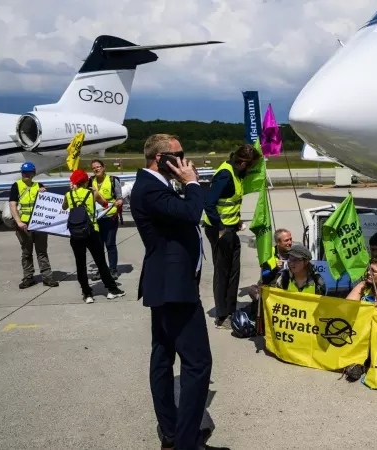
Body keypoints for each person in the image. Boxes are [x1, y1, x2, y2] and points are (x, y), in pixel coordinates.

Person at [130, 134, 213, 450]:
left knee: (163, 358)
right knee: (197, 363)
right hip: (173, 289)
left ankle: (171, 432)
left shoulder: (156, 186)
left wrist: (185, 186)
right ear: (160, 158)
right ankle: (186, 441)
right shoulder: (150, 188)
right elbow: (192, 213)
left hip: (166, 285)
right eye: (179, 155)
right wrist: (192, 183)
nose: (185, 160)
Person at [203, 144, 263, 329]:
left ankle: (230, 308)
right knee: (223, 272)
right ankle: (221, 317)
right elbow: (209, 204)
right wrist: (221, 229)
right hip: (219, 230)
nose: (252, 170)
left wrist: (236, 222)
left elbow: (229, 204)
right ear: (243, 162)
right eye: (251, 166)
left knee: (234, 270)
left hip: (230, 229)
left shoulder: (237, 174)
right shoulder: (225, 174)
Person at [61, 169, 126, 304]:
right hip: (92, 231)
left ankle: (87, 293)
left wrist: (72, 192)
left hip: (75, 233)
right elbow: (105, 204)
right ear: (86, 181)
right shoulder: (92, 193)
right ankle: (111, 290)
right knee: (100, 262)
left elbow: (64, 207)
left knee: (80, 264)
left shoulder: (68, 194)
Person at [8, 162, 59, 289]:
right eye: (24, 172)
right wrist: (19, 222)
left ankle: (47, 277)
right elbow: (12, 205)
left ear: (33, 173)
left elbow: (48, 203)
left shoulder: (39, 185)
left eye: (28, 172)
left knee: (42, 252)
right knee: (26, 253)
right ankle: (28, 277)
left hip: (39, 224)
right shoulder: (17, 186)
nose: (26, 174)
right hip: (24, 225)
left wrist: (44, 192)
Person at [89, 159, 124, 280]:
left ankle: (113, 270)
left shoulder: (112, 180)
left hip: (110, 217)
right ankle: (101, 270)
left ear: (103, 167)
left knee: (110, 244)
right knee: (98, 246)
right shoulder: (90, 181)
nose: (96, 169)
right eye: (94, 168)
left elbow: (119, 197)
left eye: (98, 167)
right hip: (95, 218)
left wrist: (119, 201)